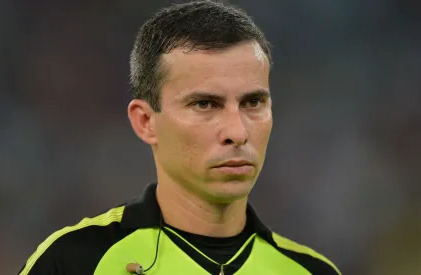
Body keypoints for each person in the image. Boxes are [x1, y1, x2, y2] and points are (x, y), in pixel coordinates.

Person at [18, 1, 341, 274]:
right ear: (145, 122)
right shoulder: (75, 262)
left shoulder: (311, 270)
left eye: (253, 102)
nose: (237, 133)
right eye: (205, 104)